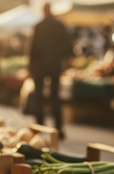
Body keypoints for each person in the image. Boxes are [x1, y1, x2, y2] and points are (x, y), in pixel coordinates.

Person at [28, 2, 71, 140]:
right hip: (54, 66)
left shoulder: (38, 26)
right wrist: (64, 62)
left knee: (39, 97)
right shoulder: (59, 26)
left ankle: (39, 126)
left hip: (40, 67)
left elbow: (32, 48)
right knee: (54, 97)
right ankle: (58, 128)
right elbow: (67, 45)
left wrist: (30, 67)